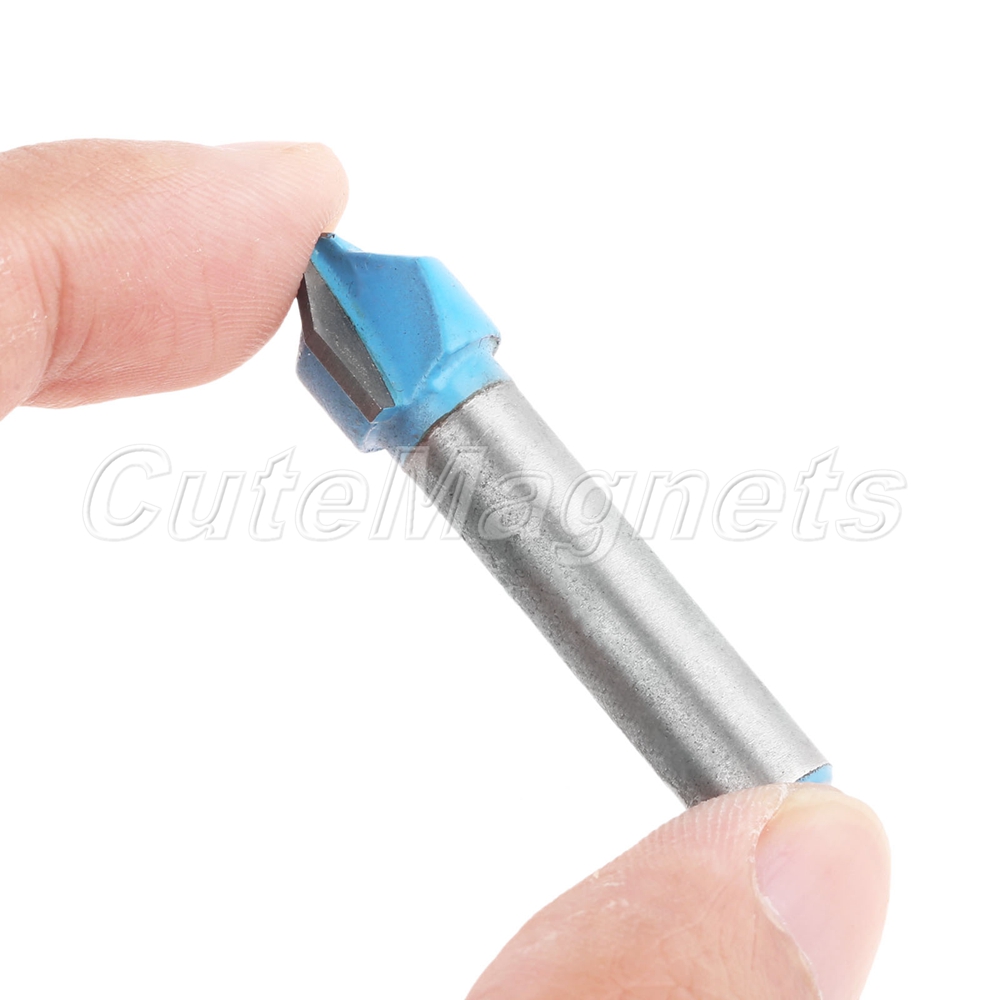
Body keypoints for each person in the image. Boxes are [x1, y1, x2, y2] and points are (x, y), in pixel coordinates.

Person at [0, 139, 890, 999]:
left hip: (768, 798)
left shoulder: (381, 331)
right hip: (769, 801)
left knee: (784, 819)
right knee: (786, 820)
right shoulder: (388, 329)